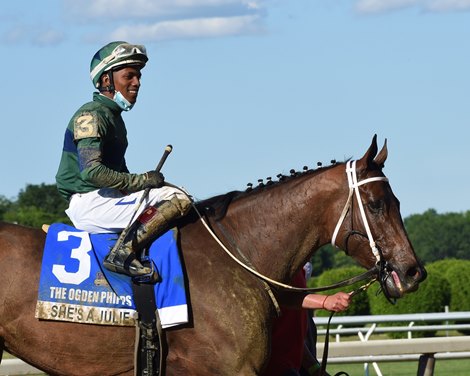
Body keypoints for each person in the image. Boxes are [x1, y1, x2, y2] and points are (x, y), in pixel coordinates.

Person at [56, 41, 191, 278]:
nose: (137, 82)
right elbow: (92, 173)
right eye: (129, 76)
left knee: (173, 192)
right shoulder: (91, 115)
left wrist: (141, 184)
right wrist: (143, 181)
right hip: (89, 202)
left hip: (104, 198)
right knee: (177, 197)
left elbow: (119, 173)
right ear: (106, 80)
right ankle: (122, 254)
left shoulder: (114, 118)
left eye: (138, 76)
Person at [262, 268, 351, 376]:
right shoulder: (272, 267)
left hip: (291, 368)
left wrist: (315, 369)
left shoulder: (299, 271)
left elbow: (293, 336)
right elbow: (279, 296)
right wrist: (325, 301)